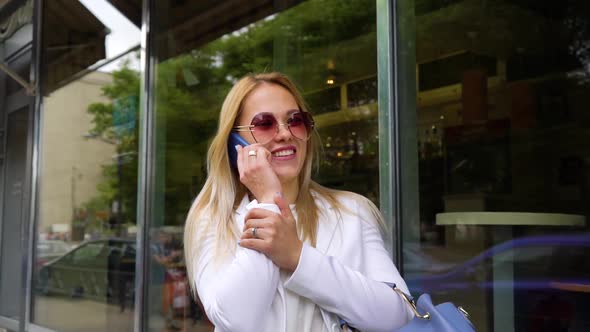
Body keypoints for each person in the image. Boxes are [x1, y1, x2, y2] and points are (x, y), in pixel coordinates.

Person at [184, 72, 413, 332]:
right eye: (265, 124)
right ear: (235, 143)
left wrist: (297, 257)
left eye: (296, 120)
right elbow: (235, 319)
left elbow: (398, 315)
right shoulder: (213, 218)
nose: (285, 134)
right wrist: (268, 200)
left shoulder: (351, 211)